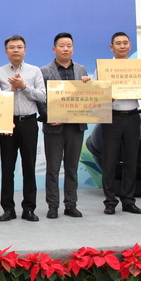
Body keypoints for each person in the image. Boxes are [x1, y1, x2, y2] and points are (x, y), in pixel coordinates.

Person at [39, 32, 91, 219]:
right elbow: (40, 99)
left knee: (72, 168)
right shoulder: (44, 71)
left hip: (76, 126)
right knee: (52, 169)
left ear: (73, 49)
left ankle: (71, 204)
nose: (66, 49)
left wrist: (88, 85)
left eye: (69, 45)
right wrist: (48, 116)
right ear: (54, 49)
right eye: (62, 46)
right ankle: (53, 205)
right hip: (54, 126)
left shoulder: (82, 70)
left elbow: (88, 97)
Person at [0, 35, 46, 222]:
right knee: (7, 167)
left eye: (19, 47)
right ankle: (8, 209)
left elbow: (43, 96)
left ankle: (29, 208)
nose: (15, 50)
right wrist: (11, 89)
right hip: (7, 123)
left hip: (29, 123)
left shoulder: (35, 71)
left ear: (25, 50)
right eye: (12, 47)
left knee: (29, 166)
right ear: (6, 51)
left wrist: (24, 87)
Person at [101, 31, 141, 215]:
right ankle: (110, 201)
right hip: (112, 117)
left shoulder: (140, 68)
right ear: (111, 47)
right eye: (118, 43)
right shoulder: (103, 68)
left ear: (130, 46)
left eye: (125, 43)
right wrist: (106, 96)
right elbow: (96, 94)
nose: (122, 46)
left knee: (131, 160)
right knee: (109, 161)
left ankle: (128, 200)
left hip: (133, 117)